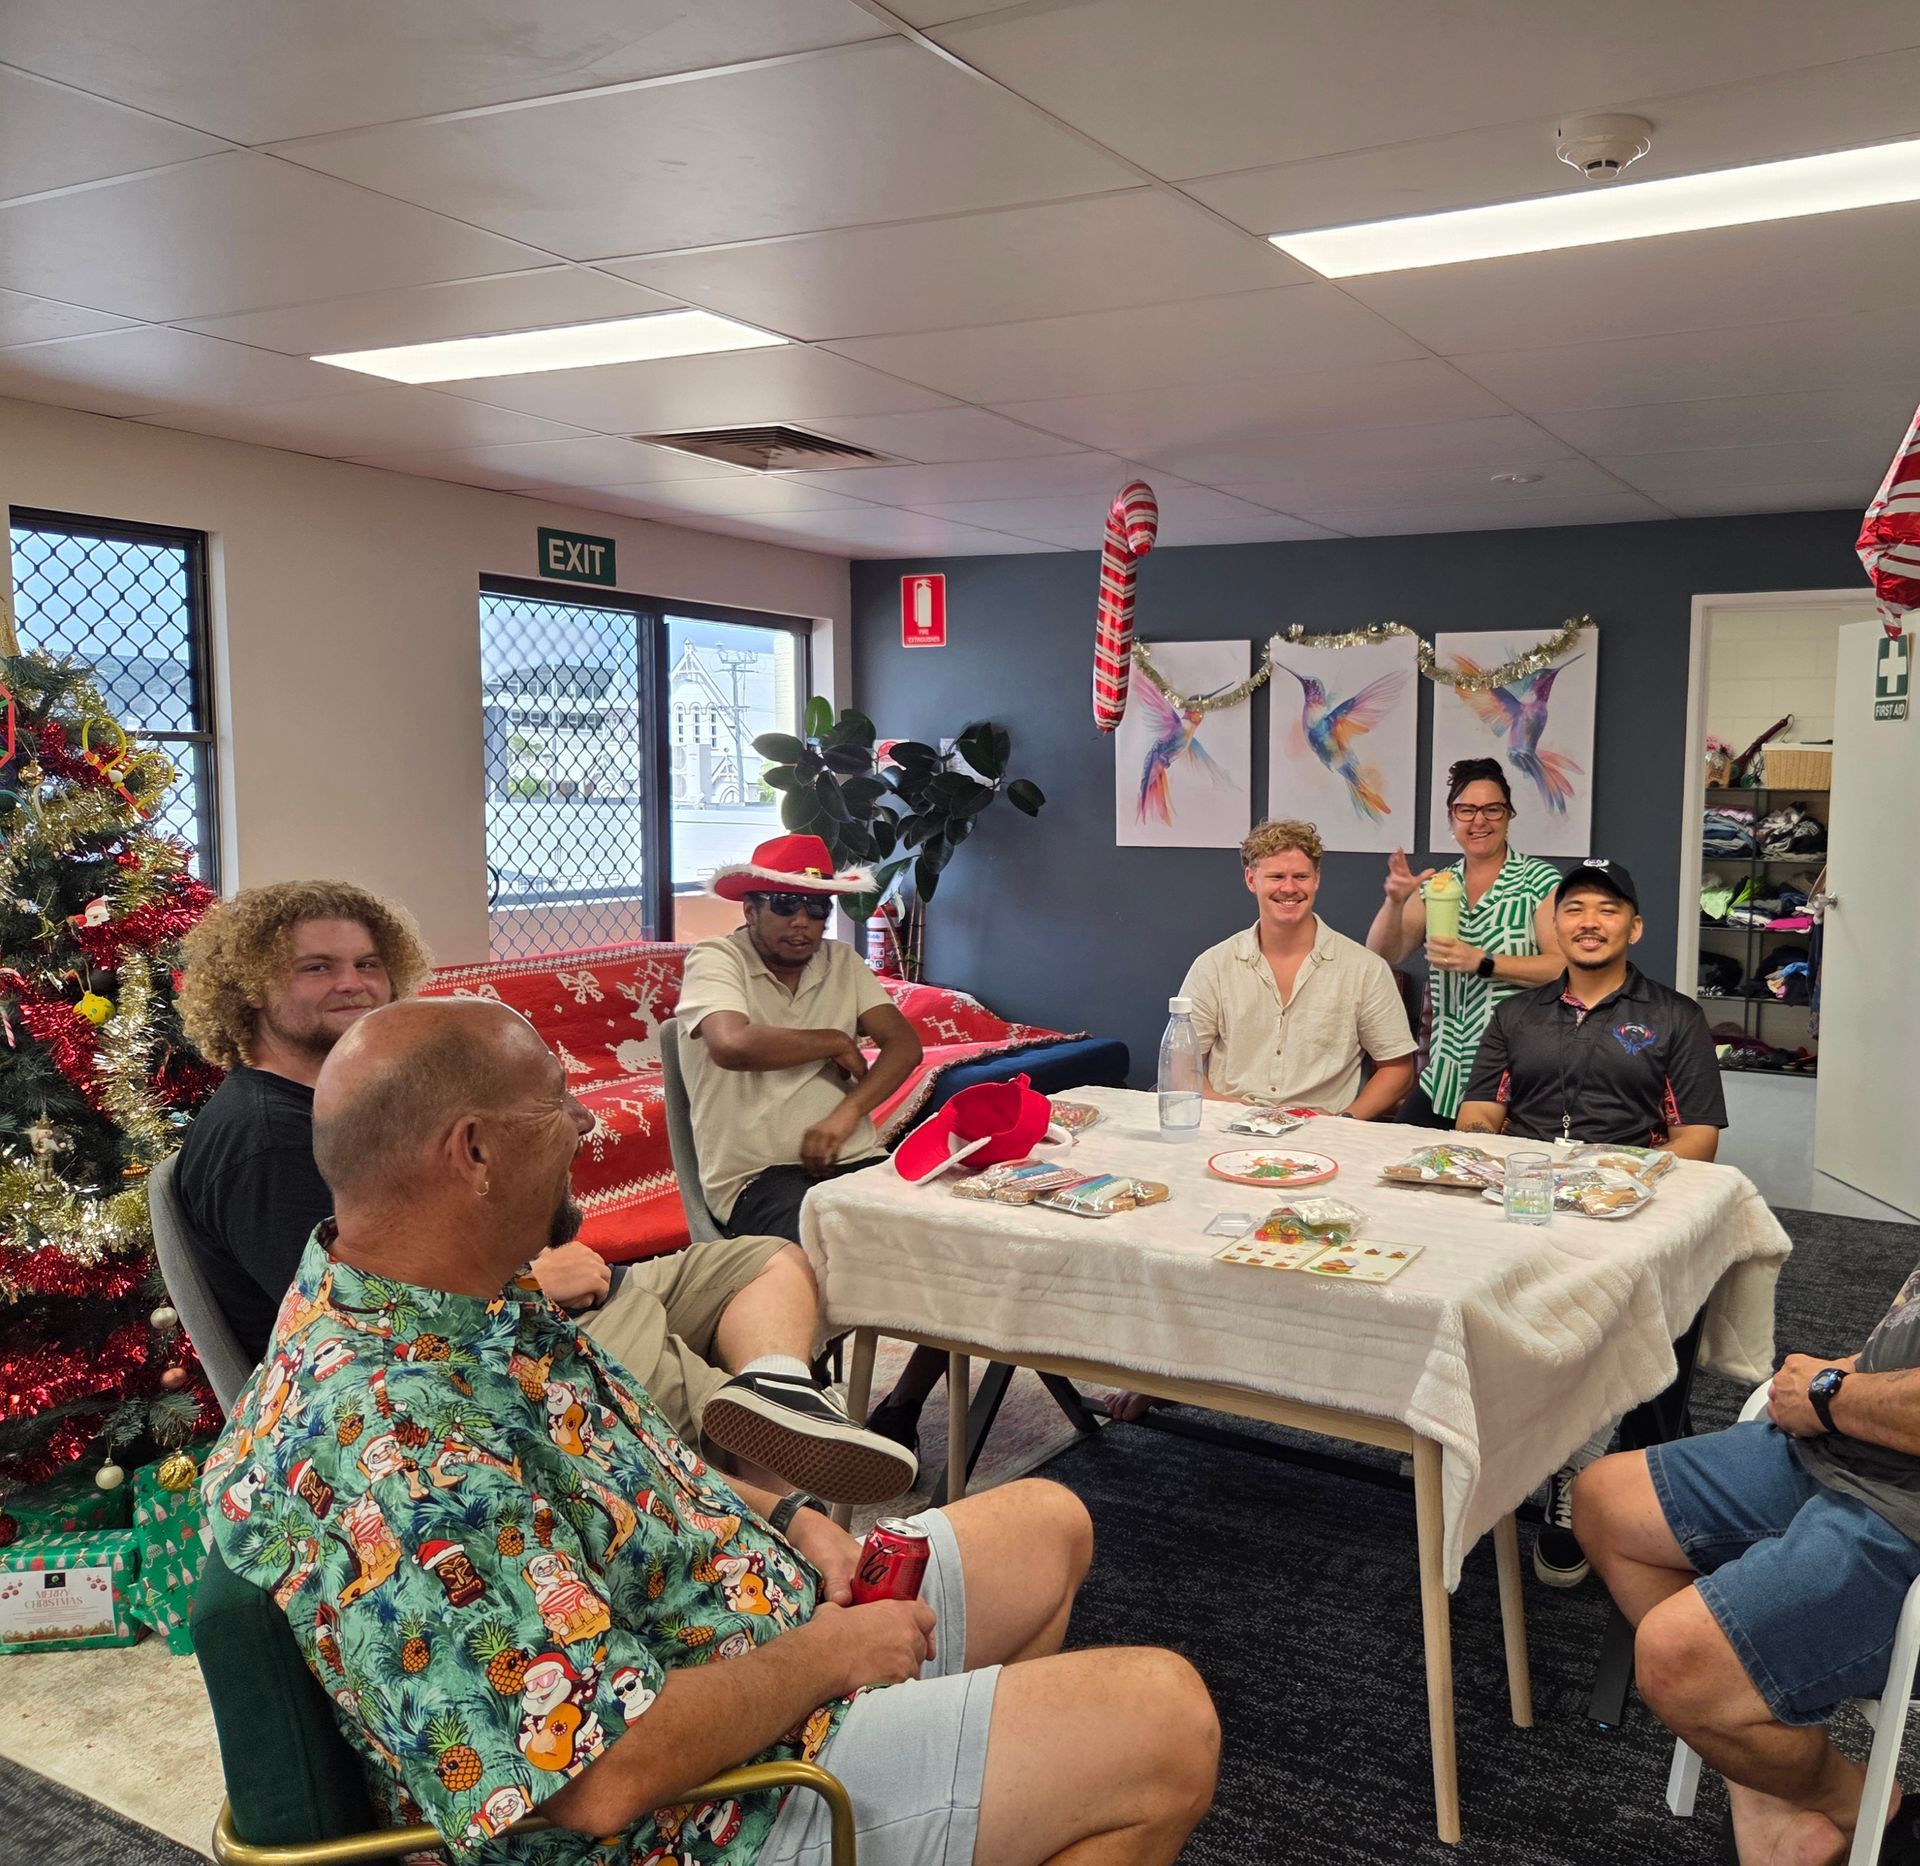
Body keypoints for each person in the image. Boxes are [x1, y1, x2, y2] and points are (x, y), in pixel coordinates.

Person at [201, 996, 1220, 1866]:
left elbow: (626, 1475)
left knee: (1050, 1522)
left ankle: (954, 1801)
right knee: (1163, 1720)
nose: (580, 1128)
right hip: (708, 1811)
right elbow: (597, 1779)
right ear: (472, 1153)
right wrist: (832, 1656)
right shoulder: (390, 1443)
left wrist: (793, 1513)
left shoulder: (454, 1297)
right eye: (554, 1107)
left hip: (753, 1649)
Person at [175, 880, 913, 1506]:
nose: (354, 983)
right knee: (719, 1415)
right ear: (251, 987)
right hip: (497, 1338)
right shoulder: (267, 1139)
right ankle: (769, 1539)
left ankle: (780, 1390)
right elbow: (350, 1324)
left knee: (764, 1262)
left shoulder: (358, 1099)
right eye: (317, 968)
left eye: (369, 962)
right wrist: (530, 1282)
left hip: (549, 1286)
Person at [1574, 1284, 1920, 1866]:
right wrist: (1845, 1373)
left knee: (1677, 1661)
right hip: (1850, 1447)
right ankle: (1769, 1798)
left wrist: (1827, 1392)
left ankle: (1864, 1803)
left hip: (1900, 1511)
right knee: (1604, 1501)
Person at [1455, 858, 1728, 1586]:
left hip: (1626, 1208)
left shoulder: (1675, 1018)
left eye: (1608, 909)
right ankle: (1479, 1439)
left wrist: (1614, 1184)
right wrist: (1496, 1146)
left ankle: (1582, 1464)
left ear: (1633, 927)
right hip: (1524, 1199)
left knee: (1618, 1321)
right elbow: (1479, 1112)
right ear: (1556, 926)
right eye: (1574, 908)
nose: (1589, 922)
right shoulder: (1515, 1015)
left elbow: (1698, 1136)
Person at [676, 833, 944, 1453]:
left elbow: (904, 1045)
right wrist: (832, 1040)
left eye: (817, 909)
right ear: (750, 908)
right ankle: (798, 1401)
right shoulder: (716, 959)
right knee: (839, 1246)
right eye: (782, 905)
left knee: (954, 1239)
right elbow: (731, 1045)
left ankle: (901, 1406)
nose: (802, 923)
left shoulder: (841, 965)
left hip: (856, 1161)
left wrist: (850, 1110)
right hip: (757, 1178)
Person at [1364, 757, 1564, 1126]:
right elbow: (1382, 954)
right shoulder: (1441, 884)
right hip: (1444, 1074)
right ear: (1451, 817)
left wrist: (1483, 961)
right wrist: (1394, 902)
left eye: (1492, 809)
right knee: (1402, 1164)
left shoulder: (1538, 881)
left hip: (1515, 1076)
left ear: (1508, 815)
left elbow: (1561, 967)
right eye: (1467, 809)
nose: (1479, 820)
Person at [1177, 819, 1418, 1117]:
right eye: (1276, 876)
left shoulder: (1365, 969)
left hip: (1322, 1136)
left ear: (1317, 878)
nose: (1289, 888)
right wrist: (1228, 1112)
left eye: (1301, 876)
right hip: (1228, 1128)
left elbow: (1397, 1069)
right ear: (1252, 880)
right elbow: (1180, 1065)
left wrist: (1343, 1122)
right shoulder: (1212, 967)